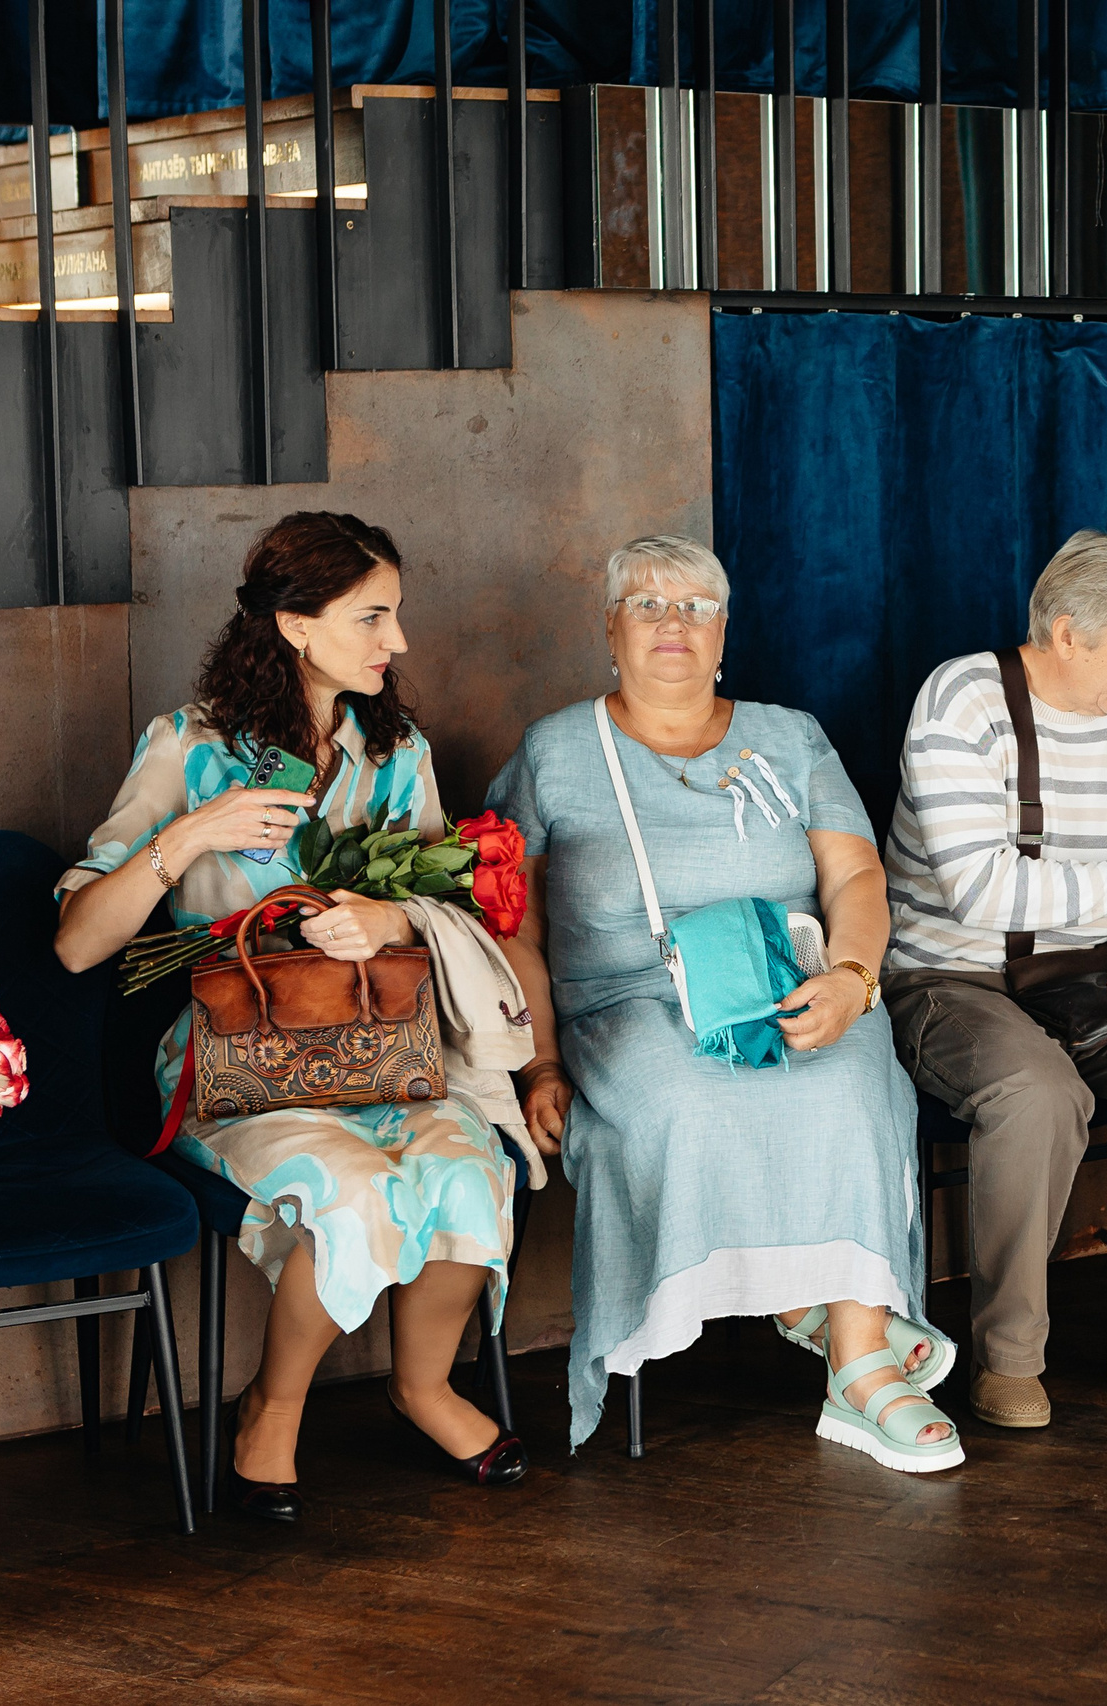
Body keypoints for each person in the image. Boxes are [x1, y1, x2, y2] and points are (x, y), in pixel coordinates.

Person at [53, 512, 525, 1520]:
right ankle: (271, 1407)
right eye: (373, 617)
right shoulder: (187, 748)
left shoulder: (396, 751)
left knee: (469, 1165)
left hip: (381, 1053)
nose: (397, 640)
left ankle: (423, 1387)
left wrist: (392, 915)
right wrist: (192, 834)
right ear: (295, 623)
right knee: (353, 1192)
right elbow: (80, 943)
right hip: (238, 1070)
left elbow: (450, 905)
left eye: (395, 614)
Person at [489, 536, 958, 1471]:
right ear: (611, 630)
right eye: (649, 604)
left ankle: (858, 1364)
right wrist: (537, 1063)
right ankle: (808, 1305)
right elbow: (513, 927)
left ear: (724, 632)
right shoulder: (554, 751)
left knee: (849, 1087)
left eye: (697, 606)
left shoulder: (792, 736)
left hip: (795, 981)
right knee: (693, 1102)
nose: (675, 622)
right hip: (629, 1002)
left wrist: (852, 981)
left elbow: (856, 876)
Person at [883, 530, 1107, 1431]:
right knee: (1037, 1094)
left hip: (1091, 974)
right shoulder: (961, 701)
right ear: (1066, 635)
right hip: (952, 978)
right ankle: (1007, 1355)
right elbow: (981, 893)